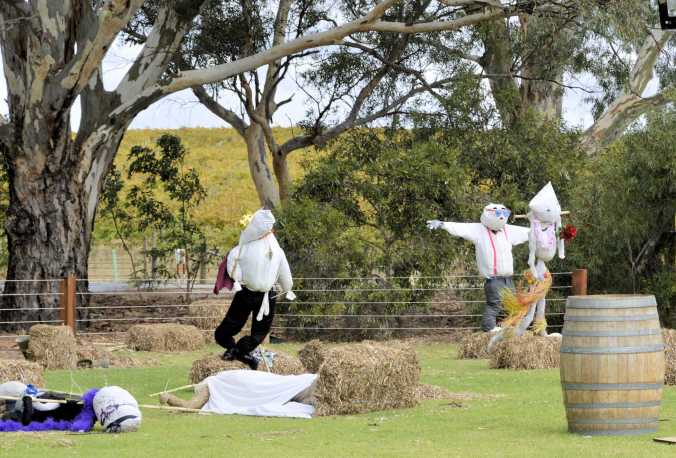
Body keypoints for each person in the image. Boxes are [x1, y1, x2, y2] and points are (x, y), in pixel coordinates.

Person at [427, 203, 530, 332]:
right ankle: (489, 328)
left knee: (513, 304)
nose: (501, 217)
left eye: (503, 214)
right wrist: (442, 224)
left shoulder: (508, 230)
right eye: (498, 214)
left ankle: (513, 329)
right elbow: (460, 228)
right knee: (494, 304)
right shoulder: (478, 230)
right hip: (493, 279)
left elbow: (528, 232)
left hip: (508, 278)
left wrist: (544, 229)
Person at [214, 209, 295, 369]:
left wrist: (238, 278)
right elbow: (285, 275)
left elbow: (233, 265)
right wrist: (288, 288)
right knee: (258, 332)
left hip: (251, 293)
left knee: (232, 327)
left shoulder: (243, 249)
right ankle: (240, 352)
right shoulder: (277, 251)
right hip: (260, 294)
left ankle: (235, 350)